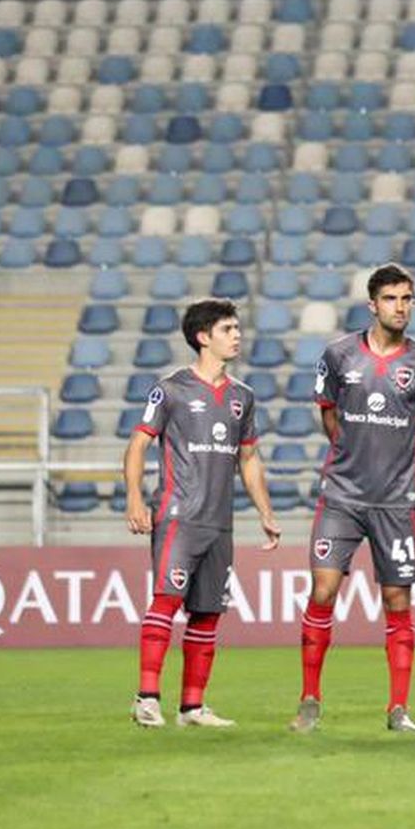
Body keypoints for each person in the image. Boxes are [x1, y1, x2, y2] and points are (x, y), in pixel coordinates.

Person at [290, 264, 415, 733]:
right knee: (323, 590)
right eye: (392, 298)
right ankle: (310, 698)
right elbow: (329, 416)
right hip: (341, 495)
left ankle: (398, 708)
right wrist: (354, 457)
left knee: (397, 601)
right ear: (372, 304)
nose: (401, 307)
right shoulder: (338, 356)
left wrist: (390, 465)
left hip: (395, 501)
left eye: (408, 298)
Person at [124, 299, 280, 728]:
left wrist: (265, 510)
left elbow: (248, 459)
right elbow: (138, 444)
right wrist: (135, 497)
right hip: (178, 515)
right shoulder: (171, 388)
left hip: (219, 522)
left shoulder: (242, 397)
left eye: (237, 328)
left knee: (208, 611)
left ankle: (192, 707)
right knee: (167, 600)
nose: (237, 335)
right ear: (202, 337)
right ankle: (147, 698)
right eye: (228, 329)